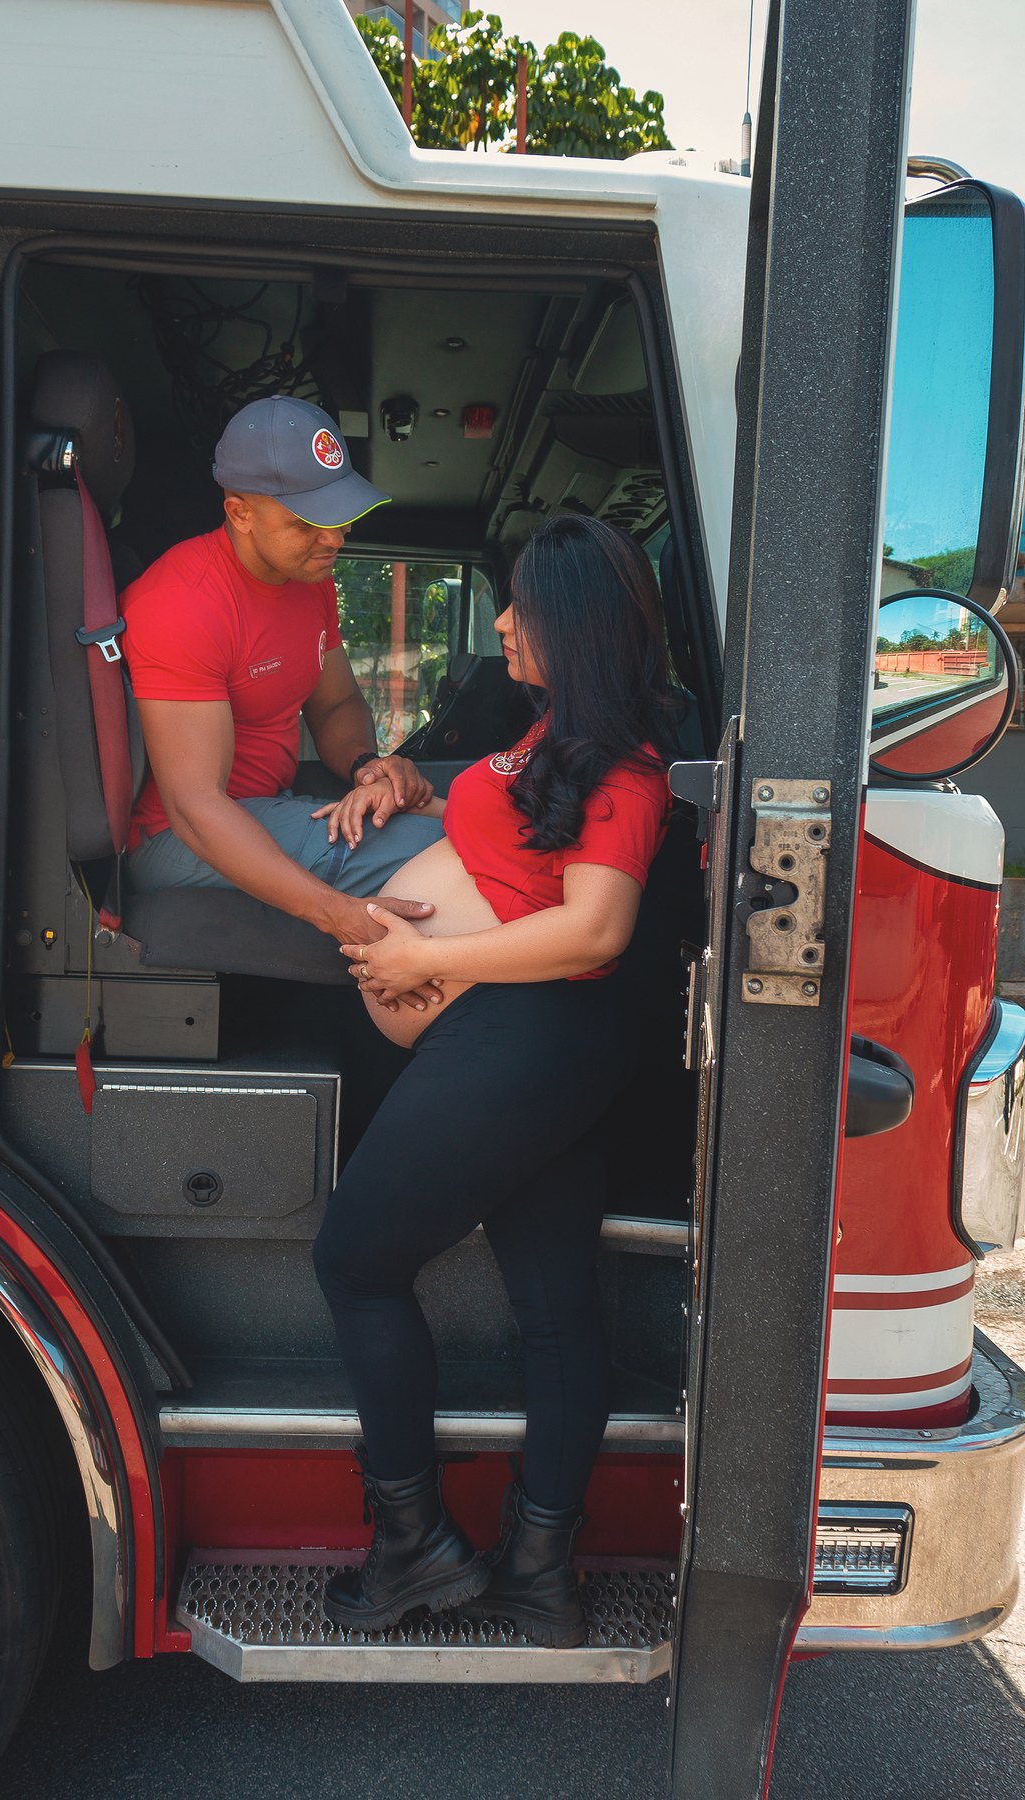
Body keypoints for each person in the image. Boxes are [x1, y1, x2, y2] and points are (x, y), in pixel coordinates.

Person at [310, 513, 679, 1647]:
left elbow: (596, 929)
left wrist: (426, 960)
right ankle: (537, 1576)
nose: (505, 622)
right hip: (535, 1044)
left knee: (356, 1262)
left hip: (528, 1036)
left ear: (576, 624)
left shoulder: (626, 764)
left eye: (522, 606)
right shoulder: (555, 736)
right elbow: (518, 834)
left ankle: (414, 1547)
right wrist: (416, 789)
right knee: (556, 1310)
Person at [121, 394, 447, 971]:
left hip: (267, 802)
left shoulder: (309, 578)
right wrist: (337, 913)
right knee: (434, 849)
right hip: (174, 835)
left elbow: (336, 702)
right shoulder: (181, 605)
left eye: (340, 515)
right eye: (308, 523)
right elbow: (195, 808)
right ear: (240, 512)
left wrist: (367, 766)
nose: (336, 538)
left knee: (467, 810)